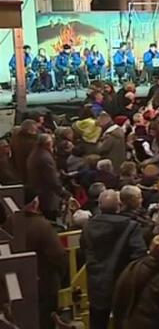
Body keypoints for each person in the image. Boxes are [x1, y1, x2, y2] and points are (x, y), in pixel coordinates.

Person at [80, 190, 148, 329]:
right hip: (121, 281)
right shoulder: (131, 226)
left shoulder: (88, 225)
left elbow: (83, 248)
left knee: (97, 321)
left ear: (99, 206)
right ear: (119, 205)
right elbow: (139, 254)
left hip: (95, 280)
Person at [22, 196, 66, 328]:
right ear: (35, 203)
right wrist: (60, 278)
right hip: (42, 285)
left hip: (14, 286)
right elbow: (59, 256)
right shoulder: (42, 226)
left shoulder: (7, 223)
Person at [26, 133, 63, 220]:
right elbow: (52, 179)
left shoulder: (34, 153)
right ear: (48, 144)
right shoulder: (45, 158)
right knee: (50, 217)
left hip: (38, 190)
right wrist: (62, 191)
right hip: (47, 194)